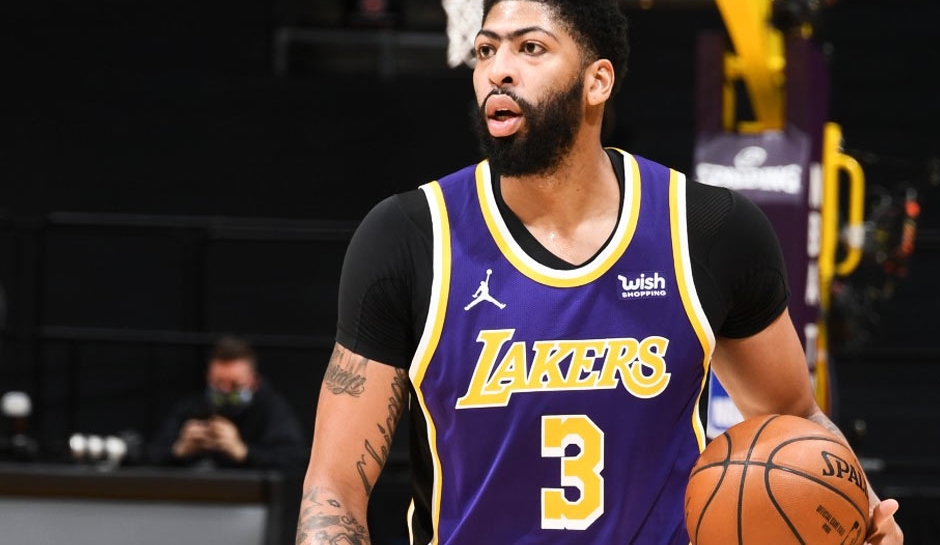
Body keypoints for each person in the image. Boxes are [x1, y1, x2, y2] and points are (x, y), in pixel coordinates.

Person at [297, 1, 903, 543]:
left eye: (530, 48)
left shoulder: (707, 230)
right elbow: (334, 489)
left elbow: (795, 417)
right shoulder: (410, 237)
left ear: (598, 81)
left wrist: (861, 513)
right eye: (485, 50)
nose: (498, 70)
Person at [149, 335, 306, 471]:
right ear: (208, 377)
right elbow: (150, 456)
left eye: (235, 385)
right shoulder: (191, 406)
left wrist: (243, 451)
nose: (225, 391)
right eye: (218, 383)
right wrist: (179, 450)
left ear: (254, 381)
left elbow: (293, 460)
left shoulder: (272, 409)